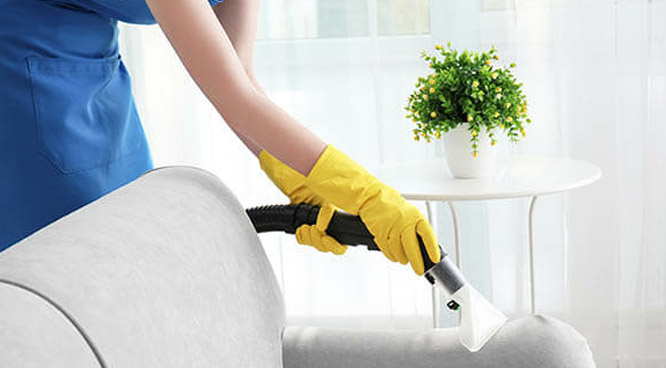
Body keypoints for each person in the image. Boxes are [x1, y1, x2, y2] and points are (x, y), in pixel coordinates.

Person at [0, 0, 440, 274]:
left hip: (102, 97)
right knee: (71, 289)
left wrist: (299, 181)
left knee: (135, 268)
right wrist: (363, 191)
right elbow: (234, 96)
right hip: (27, 112)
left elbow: (241, 74)